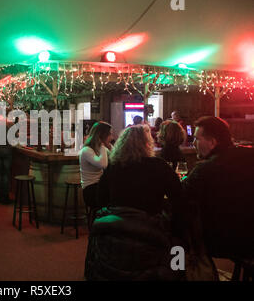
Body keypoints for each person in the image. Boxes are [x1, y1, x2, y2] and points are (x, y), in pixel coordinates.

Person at [85, 125, 183, 280]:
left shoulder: (113, 167)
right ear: (147, 144)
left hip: (114, 231)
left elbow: (100, 201)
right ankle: (178, 272)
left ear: (122, 144)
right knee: (180, 239)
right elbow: (179, 200)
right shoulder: (160, 166)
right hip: (149, 232)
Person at [182, 116, 254, 259]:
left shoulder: (205, 170)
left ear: (213, 142)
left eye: (197, 139)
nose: (194, 143)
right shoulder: (249, 156)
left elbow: (180, 197)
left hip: (219, 245)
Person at [79, 121, 112, 210]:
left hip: (99, 187)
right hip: (90, 190)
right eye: (109, 134)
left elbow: (115, 159)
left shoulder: (101, 149)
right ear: (102, 136)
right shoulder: (86, 150)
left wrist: (110, 147)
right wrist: (102, 145)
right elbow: (103, 164)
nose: (111, 137)